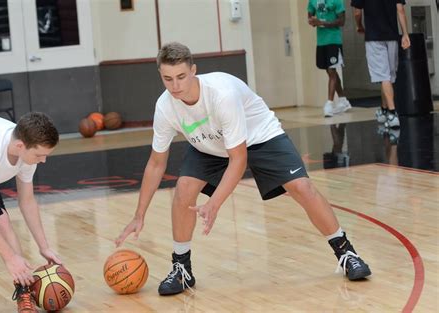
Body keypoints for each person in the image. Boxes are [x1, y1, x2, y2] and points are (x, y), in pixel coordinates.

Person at [115, 42, 371, 296]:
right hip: (209, 144)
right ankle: (182, 268)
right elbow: (156, 163)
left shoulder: (221, 94)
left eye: (181, 76)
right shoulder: (165, 106)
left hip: (260, 136)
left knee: (302, 187)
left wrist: (214, 203)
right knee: (183, 188)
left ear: (193, 70)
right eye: (168, 79)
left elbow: (238, 159)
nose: (176, 86)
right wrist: (139, 214)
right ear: (160, 75)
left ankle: (346, 252)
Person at [0, 112, 62, 312]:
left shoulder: (26, 153)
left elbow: (26, 202)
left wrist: (43, 246)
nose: (43, 161)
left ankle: (24, 292)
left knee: (2, 222)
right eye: (39, 155)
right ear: (20, 146)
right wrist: (10, 259)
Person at [351, 0, 411, 128]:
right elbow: (400, 10)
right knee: (388, 77)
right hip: (392, 36)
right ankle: (384, 110)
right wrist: (405, 34)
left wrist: (359, 26)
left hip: (374, 37)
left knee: (384, 77)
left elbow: (357, 13)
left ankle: (392, 113)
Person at [308, 0, 352, 117]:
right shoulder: (313, 1)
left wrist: (321, 22)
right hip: (321, 41)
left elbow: (342, 21)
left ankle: (329, 104)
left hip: (333, 40)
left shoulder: (336, 1)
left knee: (332, 70)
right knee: (330, 71)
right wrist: (312, 21)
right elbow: (310, 16)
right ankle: (343, 100)